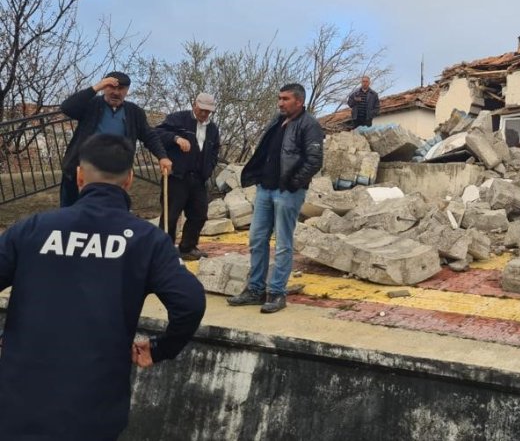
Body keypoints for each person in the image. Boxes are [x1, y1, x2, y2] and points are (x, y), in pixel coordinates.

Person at [0, 134, 206, 440]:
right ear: (130, 180)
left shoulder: (33, 228)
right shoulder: (147, 240)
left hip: (19, 401)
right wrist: (161, 348)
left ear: (80, 175)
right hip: (95, 405)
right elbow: (189, 302)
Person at [228, 84, 323, 314]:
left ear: (299, 102)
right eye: (279, 98)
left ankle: (277, 292)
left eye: (286, 99)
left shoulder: (309, 125)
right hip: (265, 189)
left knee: (282, 243)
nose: (280, 103)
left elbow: (314, 160)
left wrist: (292, 184)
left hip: (287, 191)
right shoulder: (277, 120)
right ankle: (255, 289)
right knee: (257, 238)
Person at [59, 71, 172, 207]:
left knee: (109, 217)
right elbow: (67, 108)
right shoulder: (91, 105)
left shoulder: (134, 112)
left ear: (127, 90)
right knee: (73, 214)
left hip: (115, 174)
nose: (116, 92)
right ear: (104, 87)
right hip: (82, 172)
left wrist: (162, 157)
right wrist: (96, 87)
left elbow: (149, 135)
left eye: (121, 89)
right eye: (111, 87)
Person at [155, 92, 221, 261]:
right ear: (194, 105)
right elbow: (157, 134)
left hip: (198, 178)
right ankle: (164, 250)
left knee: (199, 214)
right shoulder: (178, 119)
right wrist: (176, 138)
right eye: (202, 110)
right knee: (171, 215)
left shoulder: (212, 129)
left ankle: (187, 247)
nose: (205, 114)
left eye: (208, 111)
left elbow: (214, 151)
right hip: (177, 176)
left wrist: (209, 168)